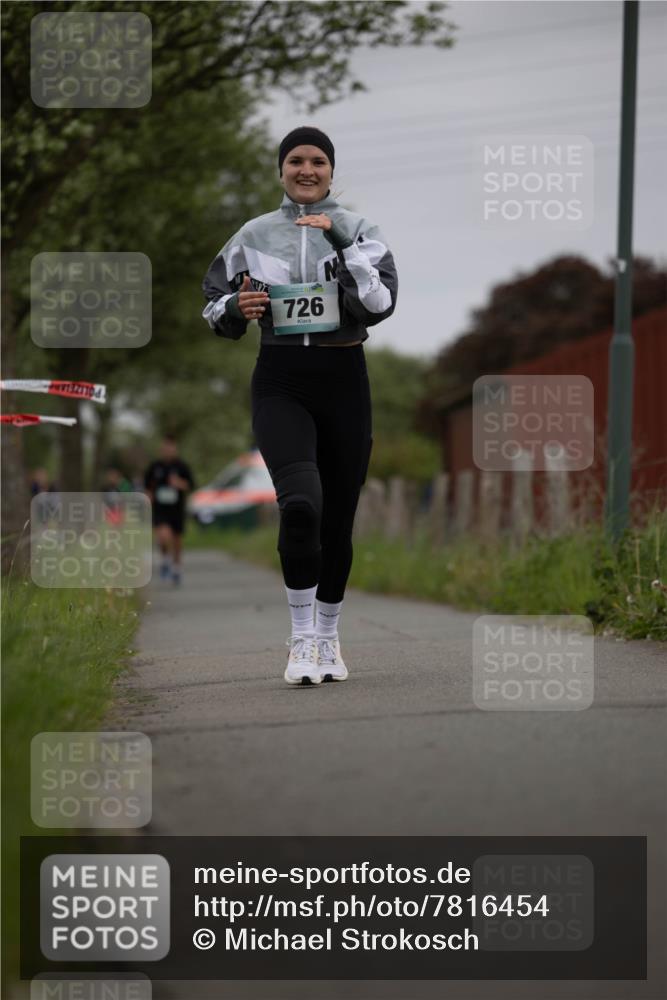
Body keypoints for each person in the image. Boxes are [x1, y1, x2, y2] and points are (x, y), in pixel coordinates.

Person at [202, 126, 398, 685]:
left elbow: (380, 304)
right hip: (281, 381)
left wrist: (341, 242)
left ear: (332, 171)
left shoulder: (362, 230)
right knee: (301, 505)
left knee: (337, 522)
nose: (306, 170)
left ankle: (330, 636)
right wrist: (237, 307)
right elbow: (213, 308)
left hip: (345, 379)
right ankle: (302, 639)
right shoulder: (254, 233)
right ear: (281, 170)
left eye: (317, 161)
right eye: (295, 161)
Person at [143, 435, 195, 586]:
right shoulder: (154, 467)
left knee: (177, 540)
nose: (167, 451)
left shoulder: (182, 466)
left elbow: (190, 485)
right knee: (164, 536)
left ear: (175, 449)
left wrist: (179, 483)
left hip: (177, 509)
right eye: (165, 448)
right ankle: (165, 559)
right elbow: (147, 486)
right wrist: (148, 495)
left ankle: (177, 567)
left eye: (170, 448)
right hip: (160, 509)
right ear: (161, 450)